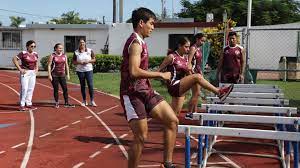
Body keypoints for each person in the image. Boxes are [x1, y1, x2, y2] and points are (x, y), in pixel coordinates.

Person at [120, 7, 178, 168]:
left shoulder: (141, 41)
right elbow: (133, 71)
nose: (153, 27)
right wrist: (160, 75)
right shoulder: (135, 44)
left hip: (145, 91)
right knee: (141, 136)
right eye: (151, 24)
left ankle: (168, 163)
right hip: (132, 94)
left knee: (172, 121)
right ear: (141, 23)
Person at [157, 36, 233, 116]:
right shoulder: (172, 57)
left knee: (175, 115)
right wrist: (164, 76)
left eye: (189, 47)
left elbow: (188, 74)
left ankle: (168, 122)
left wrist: (193, 77)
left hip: (181, 87)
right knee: (197, 76)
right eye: (186, 47)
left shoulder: (186, 59)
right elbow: (158, 70)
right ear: (179, 46)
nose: (188, 49)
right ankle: (219, 92)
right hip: (173, 85)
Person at [12, 40, 38, 111]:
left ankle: (29, 104)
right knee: (24, 89)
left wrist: (37, 69)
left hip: (32, 73)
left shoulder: (35, 54)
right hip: (25, 73)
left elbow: (36, 61)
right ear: (27, 46)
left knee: (31, 89)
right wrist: (20, 69)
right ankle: (22, 105)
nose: (33, 47)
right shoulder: (23, 53)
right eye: (31, 46)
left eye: (34, 46)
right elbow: (14, 59)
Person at [47, 43, 75, 108]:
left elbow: (66, 65)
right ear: (56, 48)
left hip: (62, 75)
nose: (61, 49)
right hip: (54, 75)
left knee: (65, 89)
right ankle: (56, 103)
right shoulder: (52, 55)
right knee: (56, 89)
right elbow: (49, 65)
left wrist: (68, 74)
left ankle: (66, 103)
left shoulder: (64, 56)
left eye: (61, 48)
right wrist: (49, 75)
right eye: (59, 48)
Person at [72, 39, 97, 107]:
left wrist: (88, 61)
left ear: (85, 43)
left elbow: (94, 59)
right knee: (82, 85)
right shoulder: (76, 52)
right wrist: (79, 62)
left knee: (90, 85)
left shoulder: (90, 50)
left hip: (89, 70)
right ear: (78, 44)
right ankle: (84, 100)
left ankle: (92, 100)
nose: (82, 44)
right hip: (80, 71)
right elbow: (73, 62)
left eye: (83, 42)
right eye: (80, 43)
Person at [187, 33, 206, 113]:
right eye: (202, 41)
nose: (203, 43)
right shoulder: (193, 48)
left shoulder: (198, 49)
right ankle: (190, 112)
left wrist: (200, 71)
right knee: (196, 93)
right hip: (193, 73)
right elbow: (189, 62)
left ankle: (194, 111)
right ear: (197, 39)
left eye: (204, 41)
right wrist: (191, 73)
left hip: (198, 72)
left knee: (196, 94)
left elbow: (198, 63)